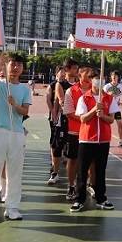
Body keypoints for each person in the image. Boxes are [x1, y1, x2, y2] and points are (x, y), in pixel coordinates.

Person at [0, 53, 32, 223]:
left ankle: (12, 208)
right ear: (7, 66)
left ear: (23, 68)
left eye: (19, 64)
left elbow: (25, 111)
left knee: (15, 172)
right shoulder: (1, 85)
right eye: (12, 64)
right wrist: (0, 64)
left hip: (16, 133)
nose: (16, 67)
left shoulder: (25, 90)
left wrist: (15, 104)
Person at [70, 71, 120, 212]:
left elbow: (111, 119)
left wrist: (102, 115)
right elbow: (82, 118)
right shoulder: (84, 98)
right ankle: (79, 199)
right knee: (82, 170)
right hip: (86, 140)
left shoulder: (109, 98)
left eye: (102, 79)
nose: (100, 81)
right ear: (91, 80)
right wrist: (93, 110)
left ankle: (101, 198)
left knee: (100, 170)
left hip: (103, 140)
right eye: (97, 79)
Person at [62, 65, 93, 199]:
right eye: (87, 73)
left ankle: (90, 184)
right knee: (73, 160)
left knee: (91, 161)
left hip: (91, 133)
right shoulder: (71, 91)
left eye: (91, 74)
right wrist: (85, 119)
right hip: (75, 132)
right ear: (80, 76)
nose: (90, 76)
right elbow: (69, 112)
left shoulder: (96, 91)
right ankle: (71, 186)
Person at [50, 59, 79, 187]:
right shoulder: (60, 84)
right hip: (64, 119)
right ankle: (55, 173)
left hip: (76, 120)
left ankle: (75, 177)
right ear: (67, 70)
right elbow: (61, 101)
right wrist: (54, 116)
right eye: (74, 68)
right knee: (58, 146)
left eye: (77, 68)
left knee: (74, 151)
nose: (76, 71)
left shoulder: (79, 85)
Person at [103, 70, 122, 147]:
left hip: (116, 108)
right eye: (112, 75)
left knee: (120, 124)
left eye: (115, 75)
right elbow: (102, 96)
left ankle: (121, 141)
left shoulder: (121, 87)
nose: (114, 77)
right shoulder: (107, 86)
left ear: (118, 77)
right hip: (108, 108)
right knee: (105, 124)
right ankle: (104, 140)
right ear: (111, 77)